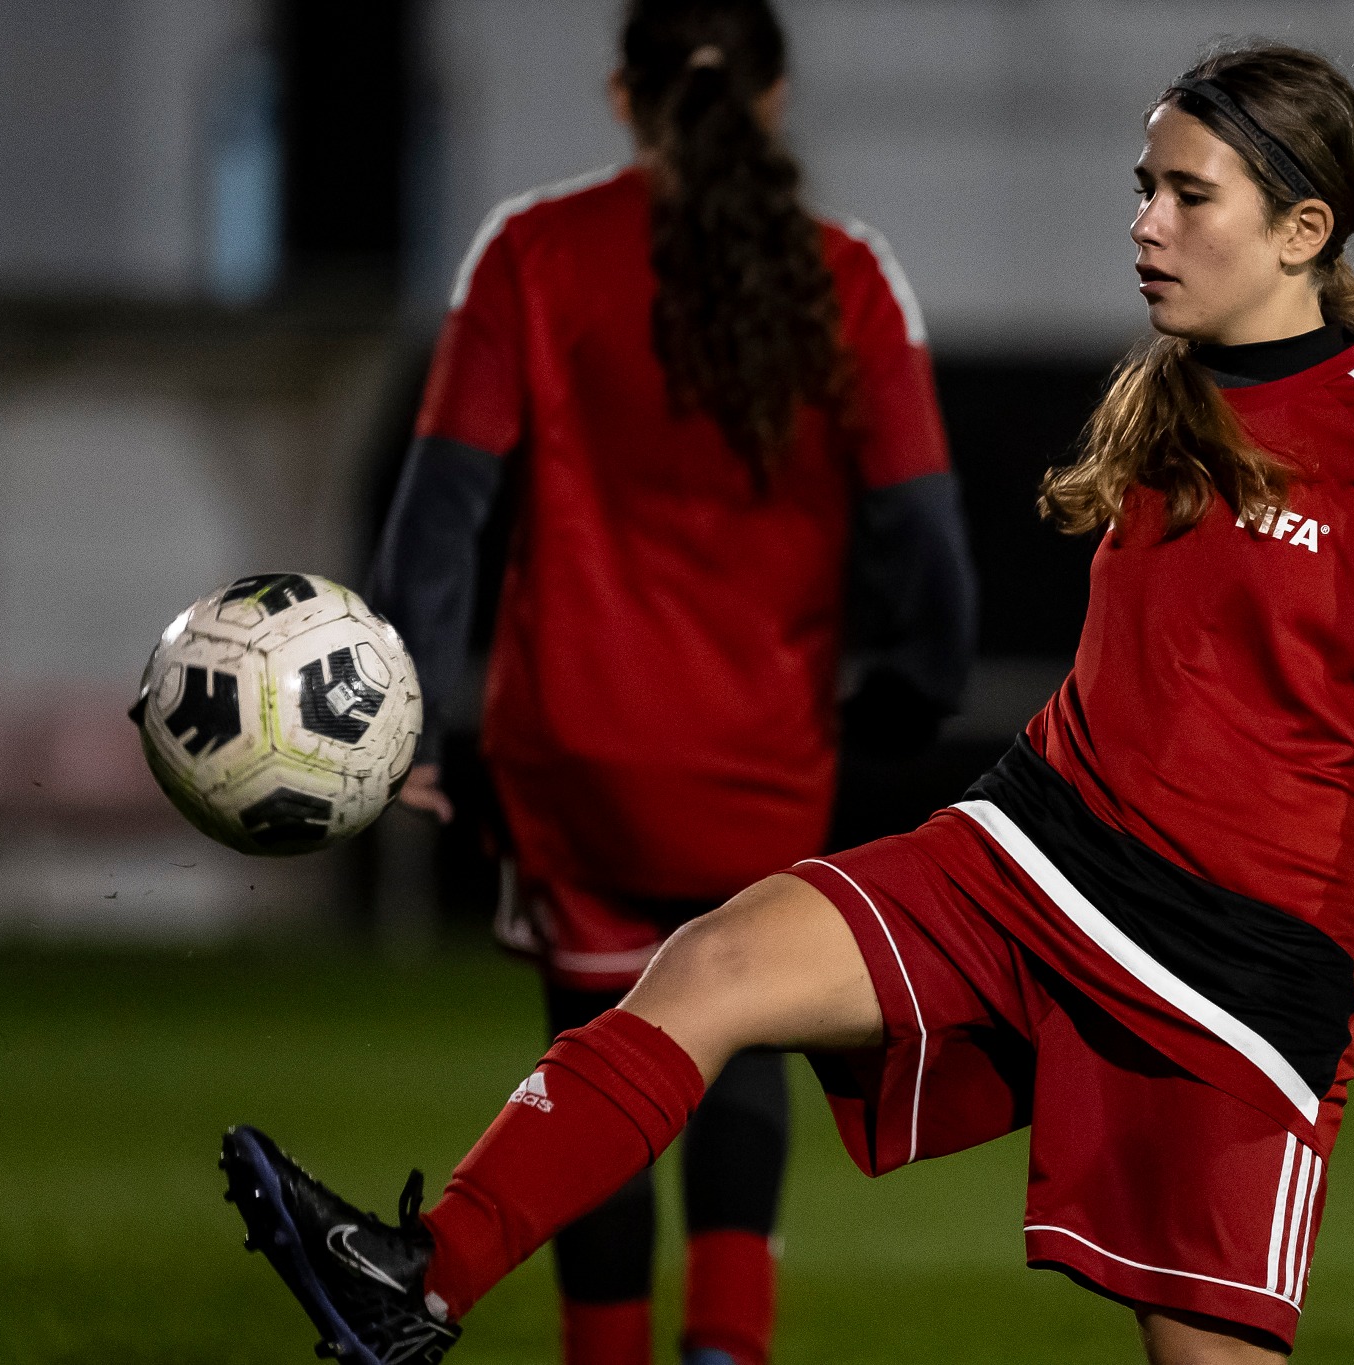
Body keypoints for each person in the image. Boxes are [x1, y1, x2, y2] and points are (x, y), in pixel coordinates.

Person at [222, 39, 1354, 1365]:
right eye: (1142, 186)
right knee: (713, 963)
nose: (1146, 224)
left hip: (1232, 969)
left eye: (1187, 195)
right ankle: (420, 1282)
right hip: (1035, 854)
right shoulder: (1163, 399)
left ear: (1302, 229)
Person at [357, 2, 975, 1362]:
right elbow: (926, 541)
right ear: (778, 97)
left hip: (571, 747)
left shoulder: (529, 252)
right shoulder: (849, 276)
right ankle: (726, 1346)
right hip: (758, 752)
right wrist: (911, 691)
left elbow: (442, 509)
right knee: (741, 1032)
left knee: (599, 1059)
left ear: (621, 96)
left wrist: (400, 719)